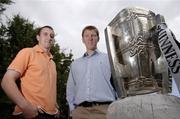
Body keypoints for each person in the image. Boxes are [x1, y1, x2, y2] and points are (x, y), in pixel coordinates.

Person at [1, 25, 60, 119]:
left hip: (51, 115)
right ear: (38, 37)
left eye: (52, 36)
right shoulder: (27, 52)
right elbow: (6, 81)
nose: (49, 37)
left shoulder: (52, 62)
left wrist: (54, 105)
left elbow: (49, 87)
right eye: (45, 34)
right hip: (32, 113)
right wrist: (25, 107)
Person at [66, 25, 117, 119]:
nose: (90, 38)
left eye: (93, 35)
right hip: (80, 112)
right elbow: (70, 89)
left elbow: (117, 84)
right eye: (87, 36)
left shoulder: (109, 59)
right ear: (83, 40)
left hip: (104, 111)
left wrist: (116, 108)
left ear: (98, 38)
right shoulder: (75, 64)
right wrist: (73, 109)